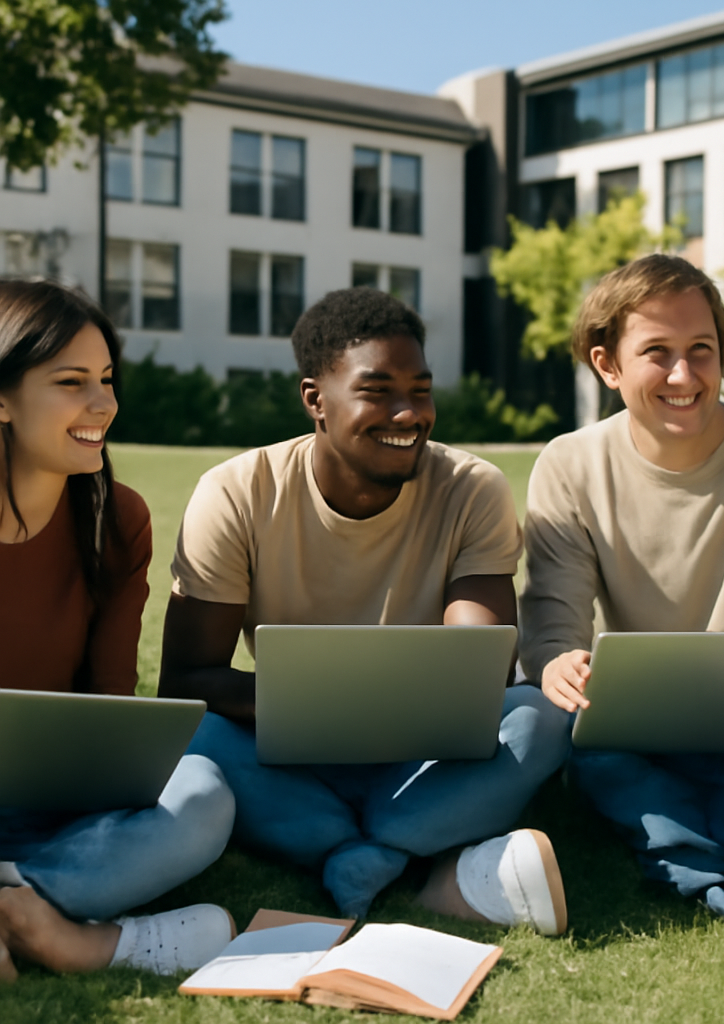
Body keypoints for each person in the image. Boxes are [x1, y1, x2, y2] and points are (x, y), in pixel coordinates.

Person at [159, 287, 570, 932]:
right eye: (377, 391)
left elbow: (479, 669)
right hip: (289, 746)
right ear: (314, 400)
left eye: (421, 390)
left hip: (424, 752)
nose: (407, 413)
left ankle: (361, 848)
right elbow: (185, 681)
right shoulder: (236, 493)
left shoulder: (472, 489)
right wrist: (314, 705)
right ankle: (403, 847)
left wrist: (378, 707)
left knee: (540, 718)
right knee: (193, 734)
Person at [519, 253, 724, 918]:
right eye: (657, 353)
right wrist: (559, 663)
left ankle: (703, 854)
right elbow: (554, 623)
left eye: (701, 349)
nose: (684, 375)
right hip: (634, 743)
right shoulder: (570, 466)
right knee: (595, 760)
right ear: (606, 365)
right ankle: (715, 873)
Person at [0, 279, 236, 980]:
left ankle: (21, 906)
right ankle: (96, 941)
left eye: (105, 379)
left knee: (204, 796)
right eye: (72, 382)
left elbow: (108, 701)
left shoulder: (116, 521)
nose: (103, 404)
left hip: (54, 808)